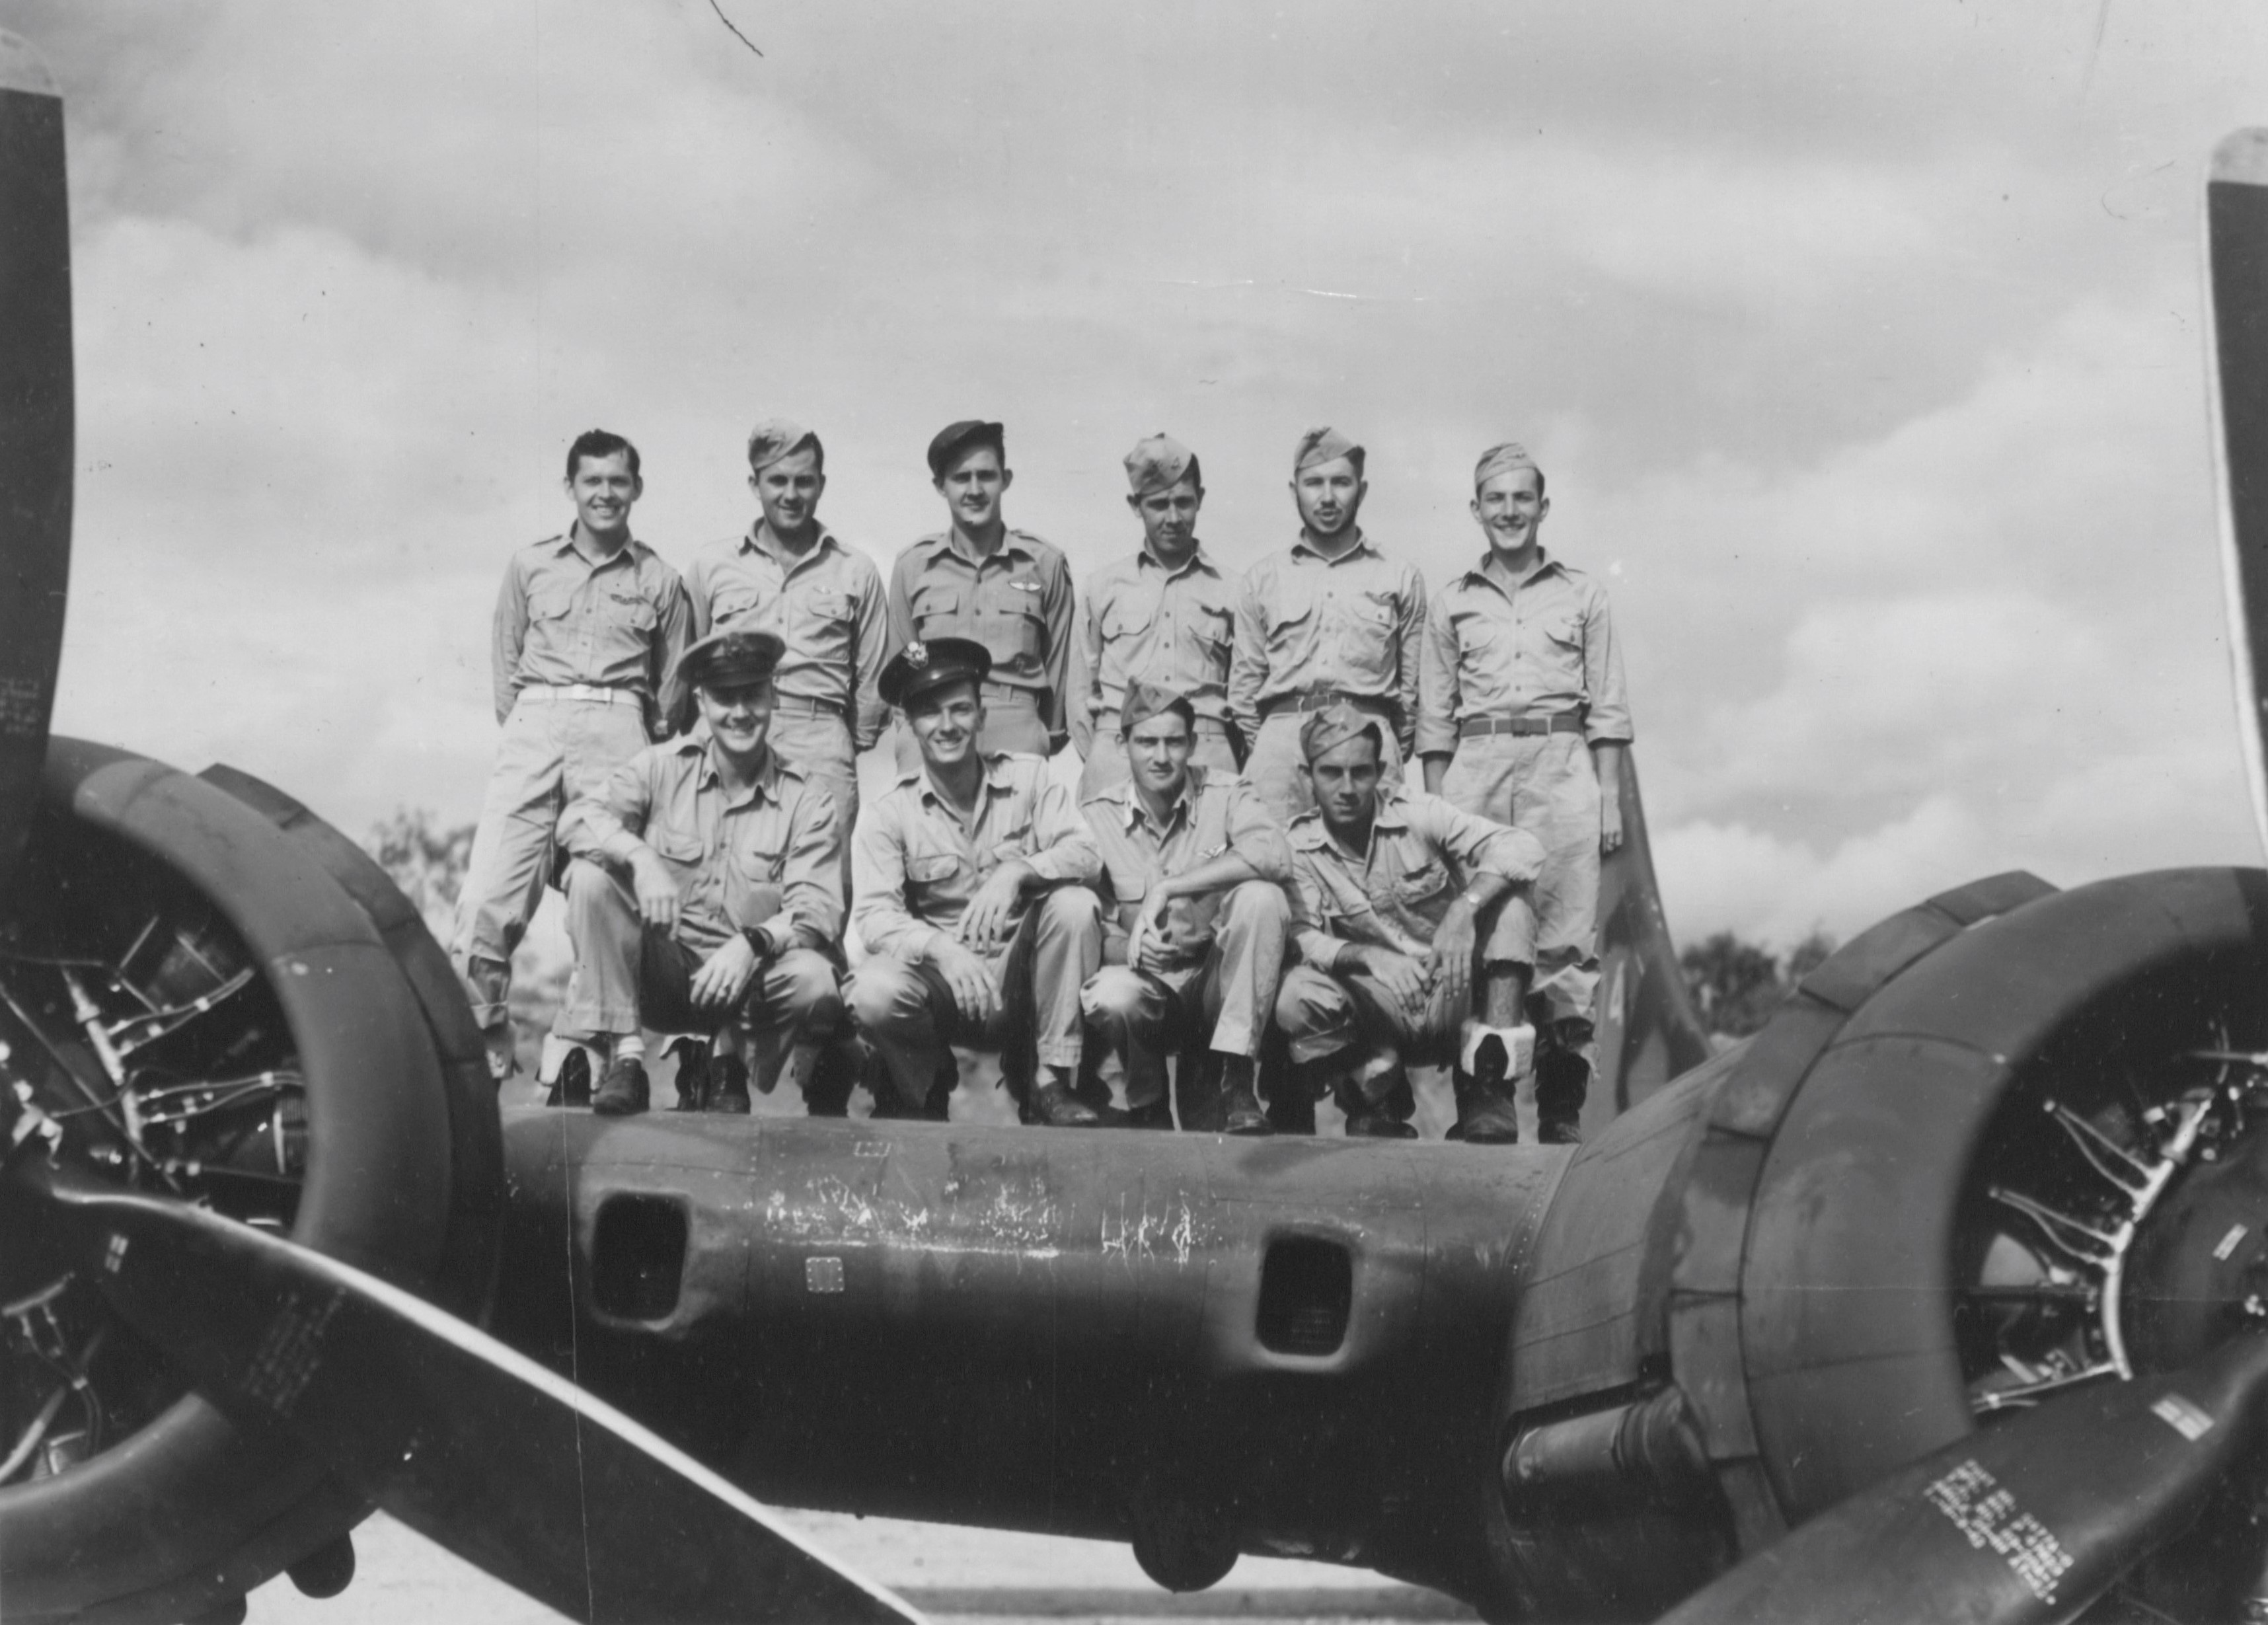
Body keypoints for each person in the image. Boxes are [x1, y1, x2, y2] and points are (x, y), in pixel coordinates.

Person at [452, 428, 692, 1081]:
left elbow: (672, 695)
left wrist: (629, 738)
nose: (606, 493)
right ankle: (487, 1036)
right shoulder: (530, 566)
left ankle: (598, 1048)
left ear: (636, 489)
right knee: (485, 899)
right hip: (537, 724)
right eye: (593, 481)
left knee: (602, 889)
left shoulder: (662, 579)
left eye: (619, 481)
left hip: (619, 729)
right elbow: (507, 672)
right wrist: (541, 720)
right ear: (571, 488)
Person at [1419, 443, 1630, 1144]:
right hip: (1478, 761)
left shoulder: (1583, 595)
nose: (1509, 511)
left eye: (1521, 498)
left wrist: (1607, 793)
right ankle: (1486, 1098)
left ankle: (1563, 1102)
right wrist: (1435, 808)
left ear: (1543, 507)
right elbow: (1434, 717)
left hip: (1561, 760)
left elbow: (1607, 705)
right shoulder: (1451, 601)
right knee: (1487, 932)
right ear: (1475, 509)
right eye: (1495, 499)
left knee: (1567, 936)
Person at [552, 628, 849, 1117]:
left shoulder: (808, 796)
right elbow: (577, 819)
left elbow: (817, 910)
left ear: (773, 696)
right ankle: (627, 1057)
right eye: (724, 697)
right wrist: (641, 859)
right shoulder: (660, 768)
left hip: (747, 984)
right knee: (589, 876)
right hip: (663, 974)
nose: (740, 712)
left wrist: (752, 943)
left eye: (752, 694)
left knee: (816, 980)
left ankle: (727, 1056)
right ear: (701, 701)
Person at [847, 637, 1106, 1126]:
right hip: (945, 985)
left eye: (961, 709)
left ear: (982, 715)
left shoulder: (1030, 778)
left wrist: (1019, 870)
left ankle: (1048, 1079)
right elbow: (876, 917)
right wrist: (943, 948)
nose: (947, 726)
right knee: (872, 988)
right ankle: (923, 1083)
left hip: (1025, 982)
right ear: (908, 725)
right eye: (929, 713)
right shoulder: (888, 813)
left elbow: (1087, 854)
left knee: (1074, 904)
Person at [1273, 705, 1546, 1142]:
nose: (1347, 788)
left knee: (1513, 904)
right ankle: (1375, 1092)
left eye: (1361, 772)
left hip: (1449, 987)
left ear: (1381, 771)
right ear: (1308, 776)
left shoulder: (1420, 813)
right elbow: (1302, 935)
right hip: (1378, 1004)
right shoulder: (1296, 846)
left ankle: (1488, 1084)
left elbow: (1523, 846)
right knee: (1294, 995)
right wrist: (1367, 955)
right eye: (1331, 773)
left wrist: (1463, 909)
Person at [1077, 681, 1291, 1134]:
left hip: (1218, 985)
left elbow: (1273, 854)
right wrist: (1130, 950)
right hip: (1148, 990)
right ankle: (1146, 1098)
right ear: (1123, 744)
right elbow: (1089, 923)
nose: (1161, 756)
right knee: (1111, 992)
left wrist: (1170, 888)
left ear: (1193, 744)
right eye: (1147, 742)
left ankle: (1236, 1077)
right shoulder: (1095, 816)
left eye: (1174, 742)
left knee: (1262, 896)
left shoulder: (1228, 793)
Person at [679, 420, 887, 882]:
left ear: (821, 485)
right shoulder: (713, 565)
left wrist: (839, 739)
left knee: (822, 881)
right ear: (755, 484)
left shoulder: (856, 569)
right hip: (730, 728)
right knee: (716, 873)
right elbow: (687, 662)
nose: (791, 494)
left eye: (804, 481)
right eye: (777, 480)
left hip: (820, 736)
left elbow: (872, 677)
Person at [1227, 426, 1425, 823]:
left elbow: (1412, 693)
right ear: (1294, 490)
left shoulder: (1399, 576)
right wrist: (1276, 744)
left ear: (1362, 490)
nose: (1328, 497)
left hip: (1368, 747)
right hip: (1282, 752)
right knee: (1274, 869)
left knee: (1376, 871)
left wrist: (1380, 741)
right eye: (1314, 483)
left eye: (1341, 483)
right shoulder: (1262, 579)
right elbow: (1244, 690)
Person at [886, 420, 1075, 767]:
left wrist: (1041, 732)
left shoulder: (1044, 563)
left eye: (986, 476)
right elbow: (901, 666)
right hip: (934, 730)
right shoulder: (913, 566)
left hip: (1016, 728)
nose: (974, 490)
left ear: (1006, 479)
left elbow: (1062, 669)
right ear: (940, 486)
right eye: (961, 478)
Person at [1070, 434, 1242, 800]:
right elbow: (1079, 697)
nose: (1174, 517)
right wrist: (1114, 750)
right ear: (1136, 505)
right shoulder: (1102, 587)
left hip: (1206, 755)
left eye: (1184, 502)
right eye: (1159, 505)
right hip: (1118, 754)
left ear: (1201, 500)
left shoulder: (1233, 590)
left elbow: (1245, 697)